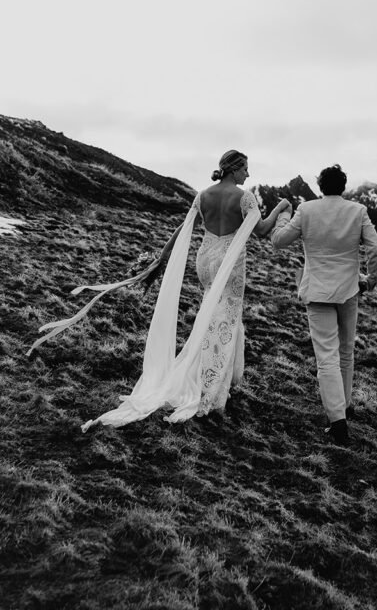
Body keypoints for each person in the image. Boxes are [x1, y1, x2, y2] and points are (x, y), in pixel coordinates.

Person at [30, 150, 290, 430]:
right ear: (233, 169)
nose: (248, 175)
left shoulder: (203, 195)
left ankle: (211, 373)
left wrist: (163, 256)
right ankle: (211, 385)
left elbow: (184, 227)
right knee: (224, 320)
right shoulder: (244, 197)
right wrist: (282, 206)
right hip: (229, 263)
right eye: (245, 169)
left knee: (211, 315)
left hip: (204, 260)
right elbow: (262, 230)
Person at [270, 163, 377, 447]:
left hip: (318, 291)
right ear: (343, 186)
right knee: (346, 352)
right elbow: (376, 248)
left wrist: (283, 217)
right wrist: (371, 280)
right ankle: (344, 405)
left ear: (320, 186)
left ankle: (338, 422)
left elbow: (278, 241)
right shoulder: (357, 211)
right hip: (349, 290)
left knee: (327, 357)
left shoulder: (306, 210)